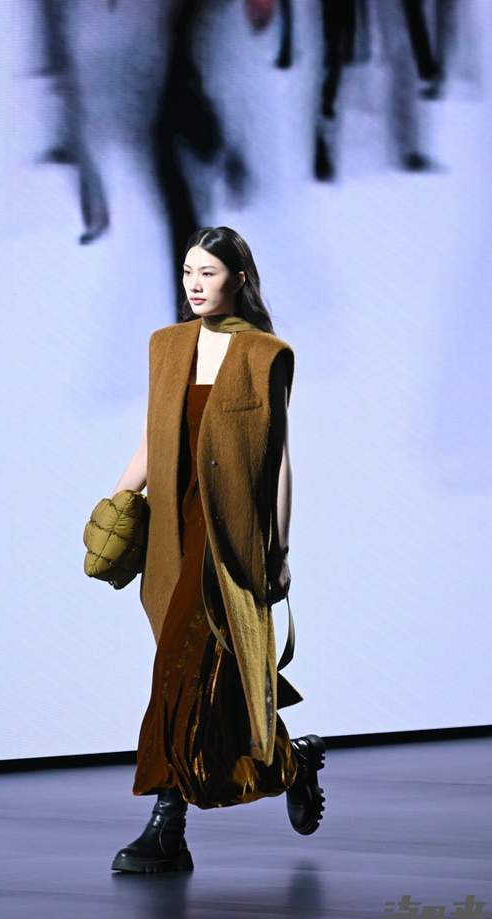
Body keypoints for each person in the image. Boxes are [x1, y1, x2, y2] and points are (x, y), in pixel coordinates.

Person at [109, 226, 326, 873]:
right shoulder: (167, 345)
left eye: (208, 272)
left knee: (177, 671)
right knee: (213, 678)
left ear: (239, 278)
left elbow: (278, 461)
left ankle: (166, 826)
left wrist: (279, 550)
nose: (195, 284)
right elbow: (152, 438)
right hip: (173, 534)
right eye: (188, 272)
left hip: (230, 541)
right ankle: (293, 762)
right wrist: (115, 503)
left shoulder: (266, 354)